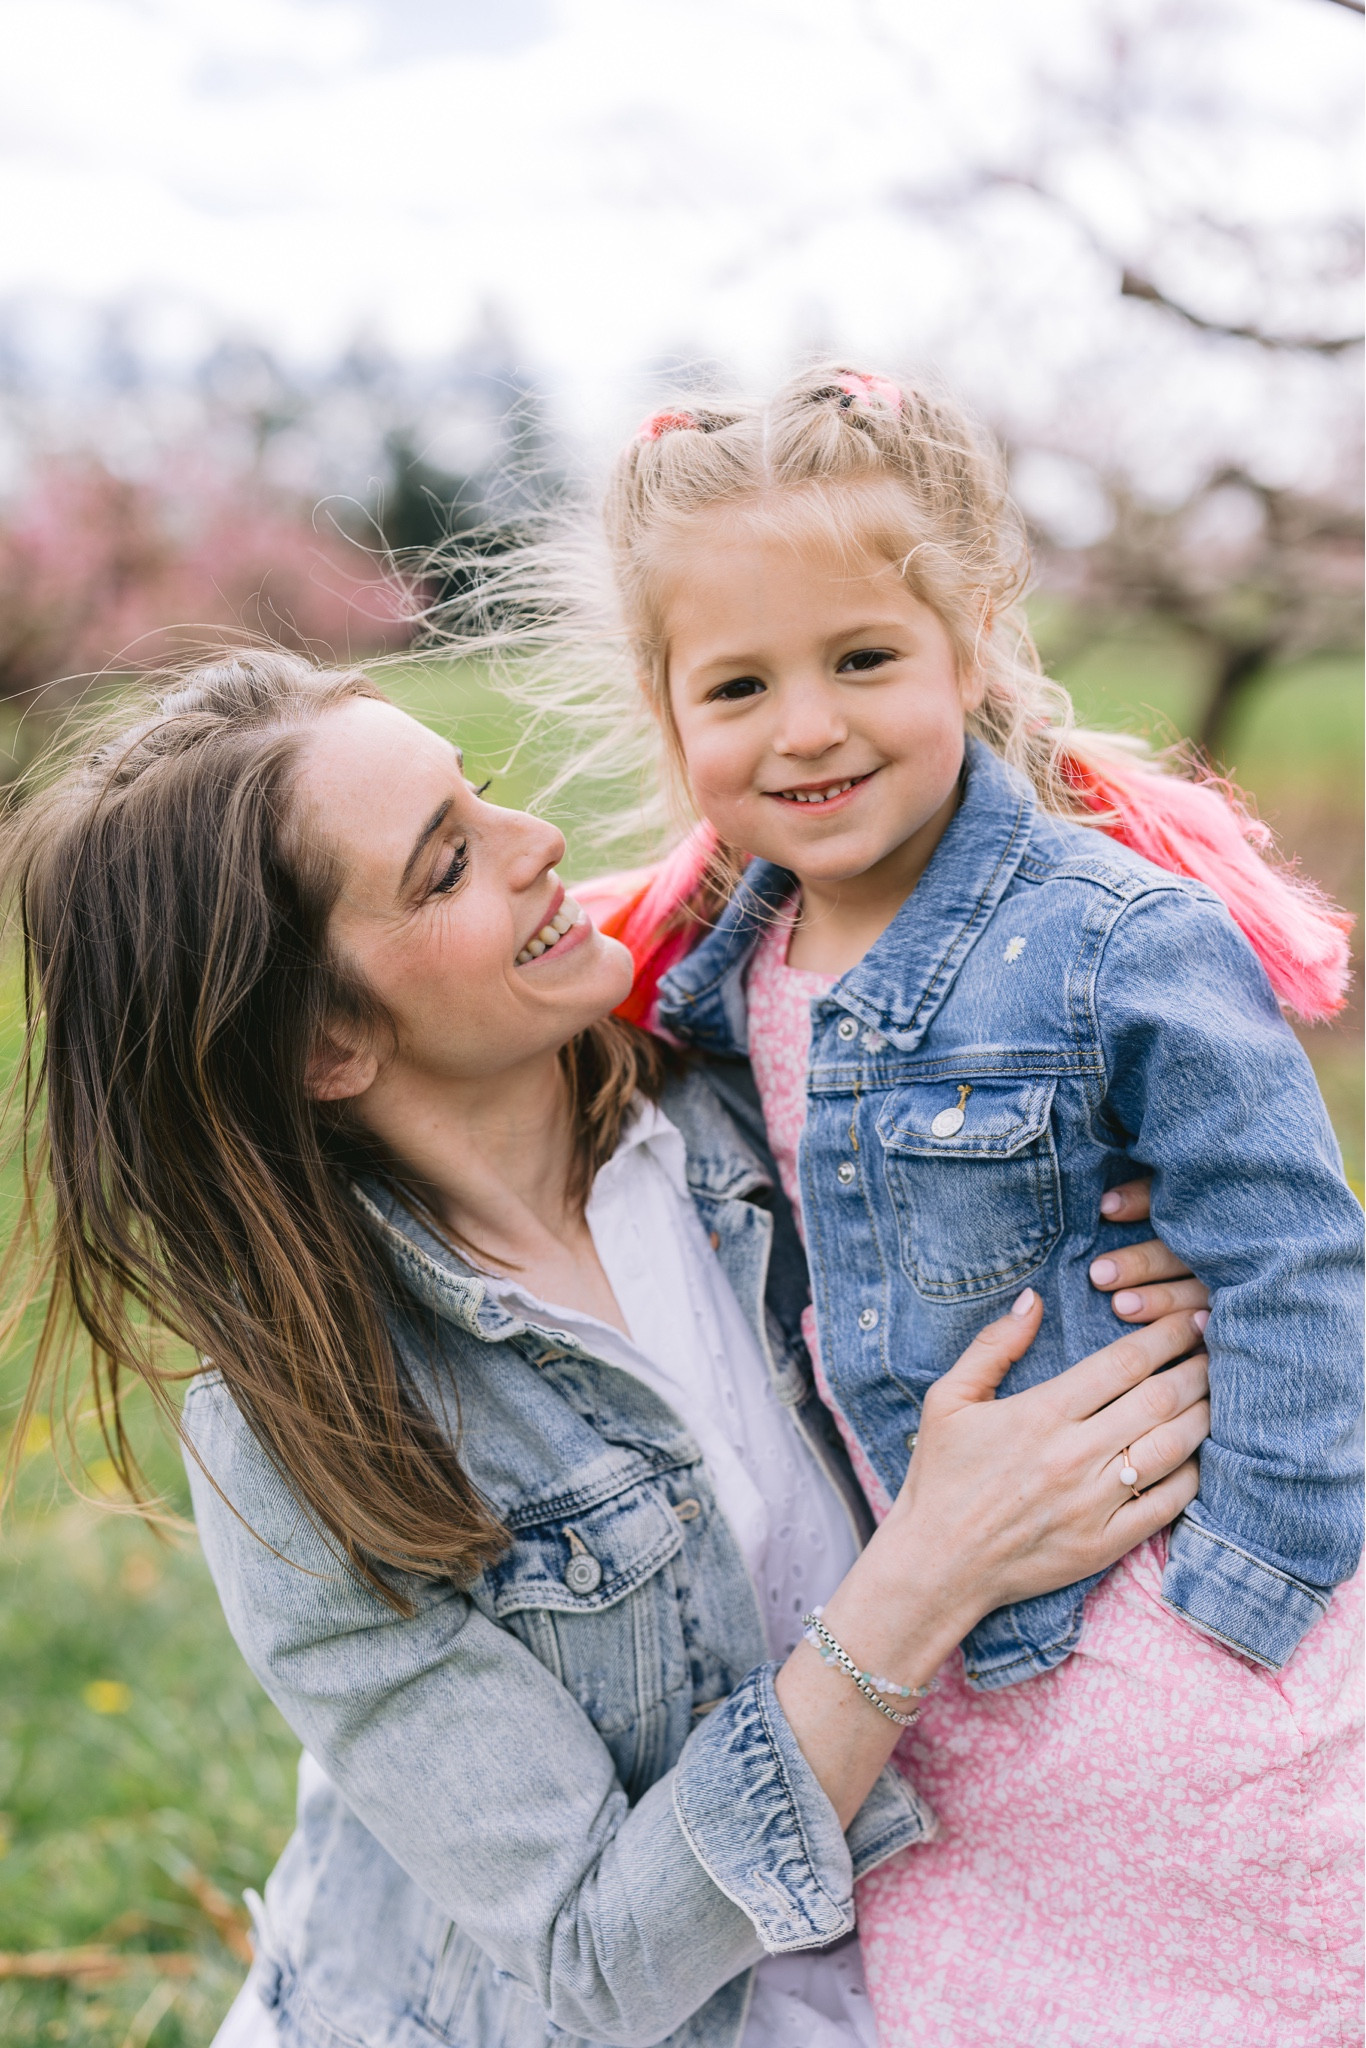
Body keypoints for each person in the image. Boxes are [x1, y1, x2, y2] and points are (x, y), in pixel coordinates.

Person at [0, 652, 1215, 2048]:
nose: (541, 847)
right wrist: (930, 1570)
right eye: (447, 865)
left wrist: (1147, 1262)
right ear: (329, 1039)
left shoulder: (766, 1110)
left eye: (487, 796)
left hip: (925, 1969)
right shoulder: (301, 1431)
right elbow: (591, 1959)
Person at [467, 367, 1364, 2045]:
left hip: (1176, 1655)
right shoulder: (730, 975)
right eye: (739, 684)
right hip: (953, 1672)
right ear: (672, 720)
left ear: (970, 642)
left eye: (862, 660)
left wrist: (1250, 1593)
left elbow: (1298, 1262)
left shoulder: (1111, 939)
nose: (806, 726)